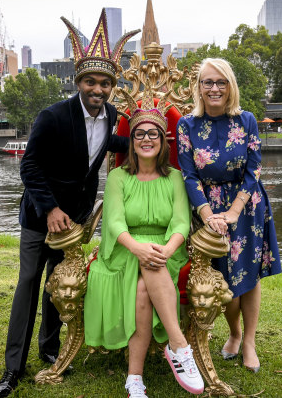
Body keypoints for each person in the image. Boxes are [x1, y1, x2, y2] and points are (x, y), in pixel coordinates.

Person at [0, 10, 137, 398]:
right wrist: (50, 209)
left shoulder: (111, 117)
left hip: (75, 222)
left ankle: (51, 351)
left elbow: (118, 146)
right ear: (79, 83)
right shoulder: (53, 116)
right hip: (41, 218)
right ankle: (12, 369)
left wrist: (154, 143)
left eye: (105, 83)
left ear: (111, 86)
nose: (98, 88)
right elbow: (31, 166)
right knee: (28, 283)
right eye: (91, 81)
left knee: (59, 287)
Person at [83, 86, 204, 397]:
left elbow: (180, 222)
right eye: (139, 134)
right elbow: (114, 222)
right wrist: (137, 247)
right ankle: (179, 347)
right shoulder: (118, 178)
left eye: (154, 134)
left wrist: (166, 248)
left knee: (143, 283)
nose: (147, 139)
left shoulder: (175, 177)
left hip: (167, 249)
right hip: (123, 249)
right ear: (131, 142)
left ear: (163, 141)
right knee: (146, 263)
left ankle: (135, 378)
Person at [177, 58, 282, 374]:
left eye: (221, 82)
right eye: (208, 82)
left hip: (246, 206)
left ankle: (247, 340)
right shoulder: (187, 125)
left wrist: (234, 211)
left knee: (248, 277)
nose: (214, 88)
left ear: (230, 86)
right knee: (221, 278)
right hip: (208, 209)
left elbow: (254, 168)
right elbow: (188, 174)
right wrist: (209, 214)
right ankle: (233, 331)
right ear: (199, 88)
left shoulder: (247, 120)